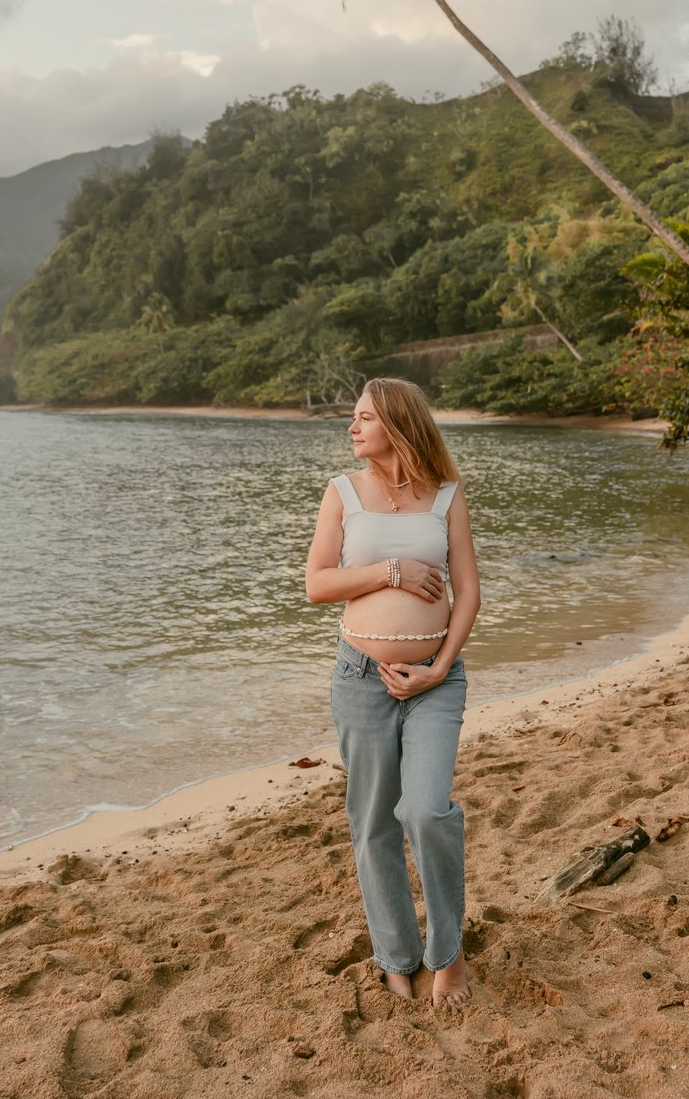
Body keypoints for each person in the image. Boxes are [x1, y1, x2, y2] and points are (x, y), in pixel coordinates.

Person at [306, 377, 481, 1007]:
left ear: (398, 424)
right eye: (352, 419)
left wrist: (440, 667)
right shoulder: (343, 493)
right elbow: (317, 584)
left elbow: (469, 593)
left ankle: (448, 954)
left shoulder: (447, 497)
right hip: (361, 678)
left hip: (436, 681)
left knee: (427, 810)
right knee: (373, 822)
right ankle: (396, 956)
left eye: (363, 418)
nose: (351, 428)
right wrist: (390, 570)